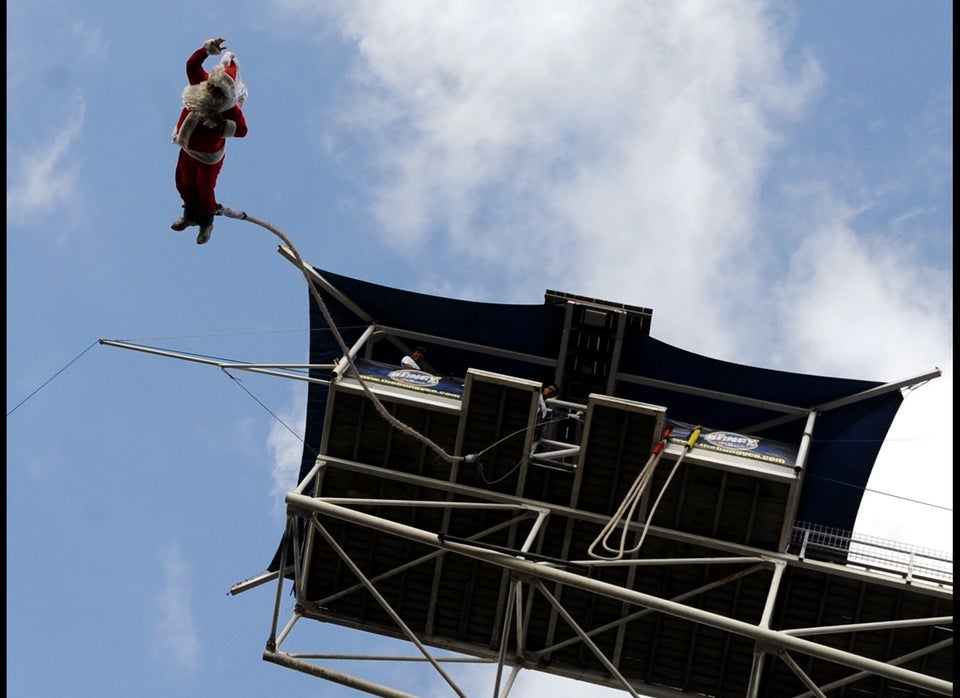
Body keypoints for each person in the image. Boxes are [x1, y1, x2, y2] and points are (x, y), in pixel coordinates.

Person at [170, 37, 248, 245]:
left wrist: (222, 123)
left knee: (205, 191)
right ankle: (189, 216)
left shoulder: (230, 110)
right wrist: (207, 50)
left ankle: (206, 223)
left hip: (208, 158)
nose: (212, 91)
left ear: (227, 94)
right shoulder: (201, 83)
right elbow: (191, 65)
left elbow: (242, 130)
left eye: (219, 91)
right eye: (213, 86)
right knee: (183, 183)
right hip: (186, 148)